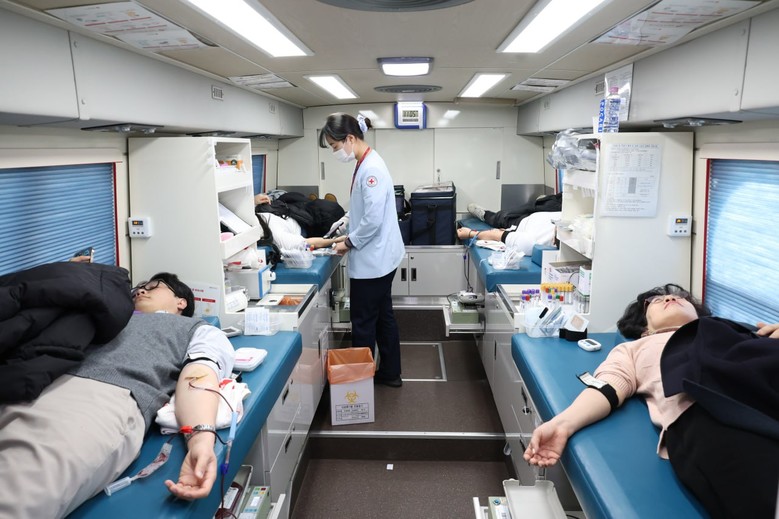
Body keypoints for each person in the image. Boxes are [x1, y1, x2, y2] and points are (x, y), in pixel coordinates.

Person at [523, 284, 779, 519]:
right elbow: (607, 388)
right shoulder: (635, 348)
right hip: (708, 410)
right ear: (645, 329)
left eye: (680, 298)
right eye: (656, 301)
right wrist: (562, 425)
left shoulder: (738, 330)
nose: (669, 299)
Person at [0, 267, 235, 518]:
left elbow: (197, 376)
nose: (141, 291)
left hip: (94, 397)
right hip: (22, 380)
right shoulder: (103, 310)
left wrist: (200, 440)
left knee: (15, 493)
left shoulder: (195, 329)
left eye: (153, 287)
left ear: (181, 302)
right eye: (138, 288)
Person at [319, 112, 405, 388]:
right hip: (379, 258)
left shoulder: (371, 170)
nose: (335, 152)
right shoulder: (366, 162)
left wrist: (347, 243)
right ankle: (390, 372)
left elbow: (372, 220)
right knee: (382, 316)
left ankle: (359, 384)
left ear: (350, 138)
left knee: (364, 322)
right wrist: (345, 221)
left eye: (335, 146)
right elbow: (365, 208)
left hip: (374, 262)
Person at [456, 210, 561, 256]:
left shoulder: (530, 242)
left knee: (501, 217)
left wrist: (470, 233)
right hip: (538, 213)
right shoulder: (566, 220)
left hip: (518, 222)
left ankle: (484, 214)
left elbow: (497, 234)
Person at [468, 192, 562, 229]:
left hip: (535, 222)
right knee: (524, 208)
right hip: (554, 206)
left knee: (506, 218)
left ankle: (485, 215)